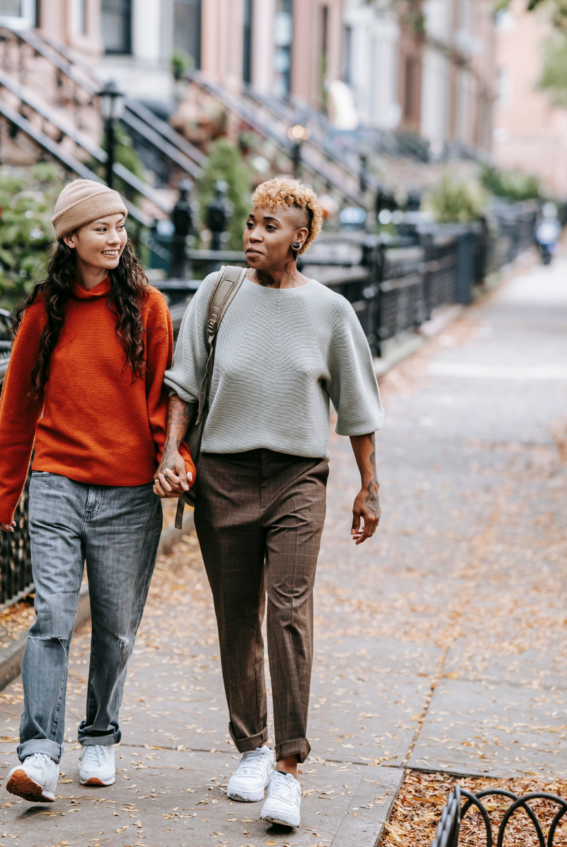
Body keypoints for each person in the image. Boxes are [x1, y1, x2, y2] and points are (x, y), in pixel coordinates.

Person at [154, 177, 384, 830]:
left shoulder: (329, 311)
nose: (253, 234)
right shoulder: (218, 293)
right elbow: (184, 385)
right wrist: (171, 454)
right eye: (251, 222)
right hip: (222, 477)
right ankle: (251, 746)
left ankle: (287, 767)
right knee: (236, 616)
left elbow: (358, 409)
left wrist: (369, 486)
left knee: (287, 614)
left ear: (299, 238)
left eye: (269, 226)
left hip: (296, 479)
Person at [0, 179, 194, 803]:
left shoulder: (148, 308)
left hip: (129, 494)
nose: (115, 238)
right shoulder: (42, 313)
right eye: (101, 228)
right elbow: (17, 407)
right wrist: (4, 491)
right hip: (56, 484)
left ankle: (100, 735)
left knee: (116, 628)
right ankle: (40, 755)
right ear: (71, 238)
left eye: (120, 226)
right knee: (51, 618)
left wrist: (175, 459)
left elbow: (164, 399)